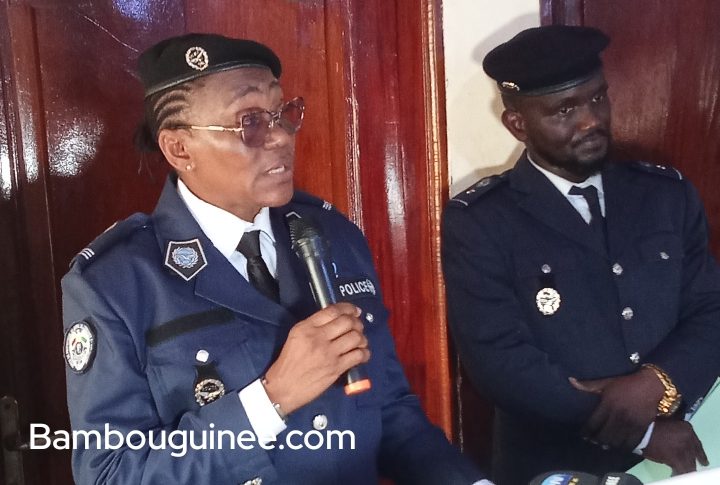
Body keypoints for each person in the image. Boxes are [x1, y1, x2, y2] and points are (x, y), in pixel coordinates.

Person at [62, 33, 490, 485]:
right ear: (179, 149)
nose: (282, 136)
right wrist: (271, 400)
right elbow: (111, 474)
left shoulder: (331, 237)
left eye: (282, 113)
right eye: (249, 121)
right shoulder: (116, 284)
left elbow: (390, 412)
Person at [442, 25, 719, 485]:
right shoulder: (482, 221)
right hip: (555, 464)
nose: (592, 120)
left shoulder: (664, 195)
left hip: (682, 456)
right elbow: (500, 360)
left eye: (598, 98)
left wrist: (656, 384)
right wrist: (643, 433)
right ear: (517, 124)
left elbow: (711, 311)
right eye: (565, 110)